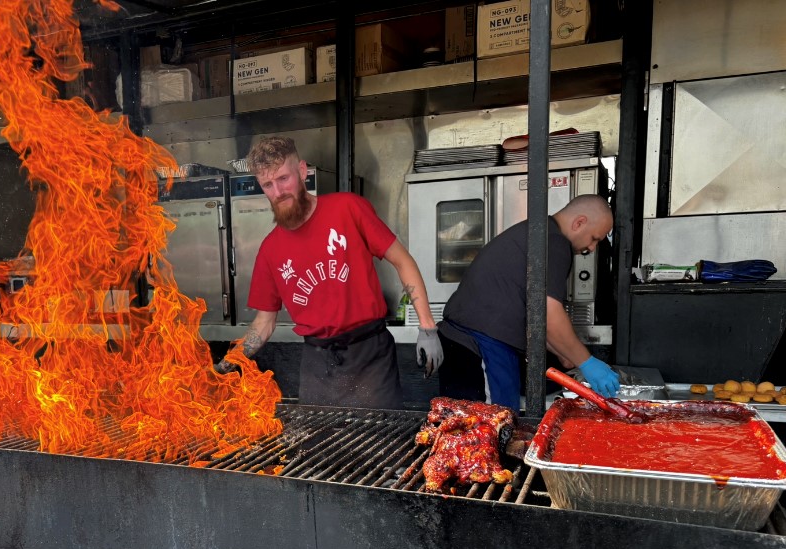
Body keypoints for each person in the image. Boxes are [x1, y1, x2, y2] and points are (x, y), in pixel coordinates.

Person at [214, 136, 443, 409]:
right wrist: (232, 360)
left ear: (301, 171)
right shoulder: (269, 250)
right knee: (318, 446)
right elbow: (264, 323)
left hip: (370, 354)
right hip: (317, 363)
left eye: (283, 178)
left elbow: (402, 261)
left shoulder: (347, 208)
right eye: (268, 184)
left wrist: (427, 328)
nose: (278, 192)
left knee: (380, 441)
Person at [437, 194, 619, 409]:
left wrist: (565, 354)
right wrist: (586, 362)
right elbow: (549, 314)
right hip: (480, 347)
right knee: (492, 428)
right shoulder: (555, 242)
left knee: (476, 429)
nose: (592, 248)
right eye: (595, 238)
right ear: (579, 223)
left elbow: (535, 315)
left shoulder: (539, 232)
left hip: (467, 344)